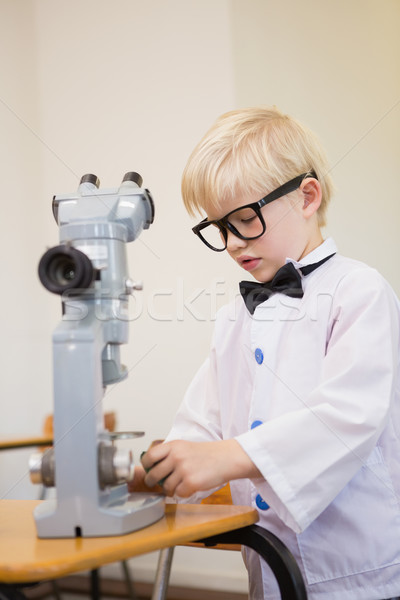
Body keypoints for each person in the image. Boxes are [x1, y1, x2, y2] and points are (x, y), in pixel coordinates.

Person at [133, 106, 400, 599]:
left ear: (307, 196)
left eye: (245, 220)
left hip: (358, 570)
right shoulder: (233, 318)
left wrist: (229, 457)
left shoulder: (359, 290)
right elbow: (203, 423)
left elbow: (349, 416)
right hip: (267, 565)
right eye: (219, 228)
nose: (233, 242)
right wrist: (164, 466)